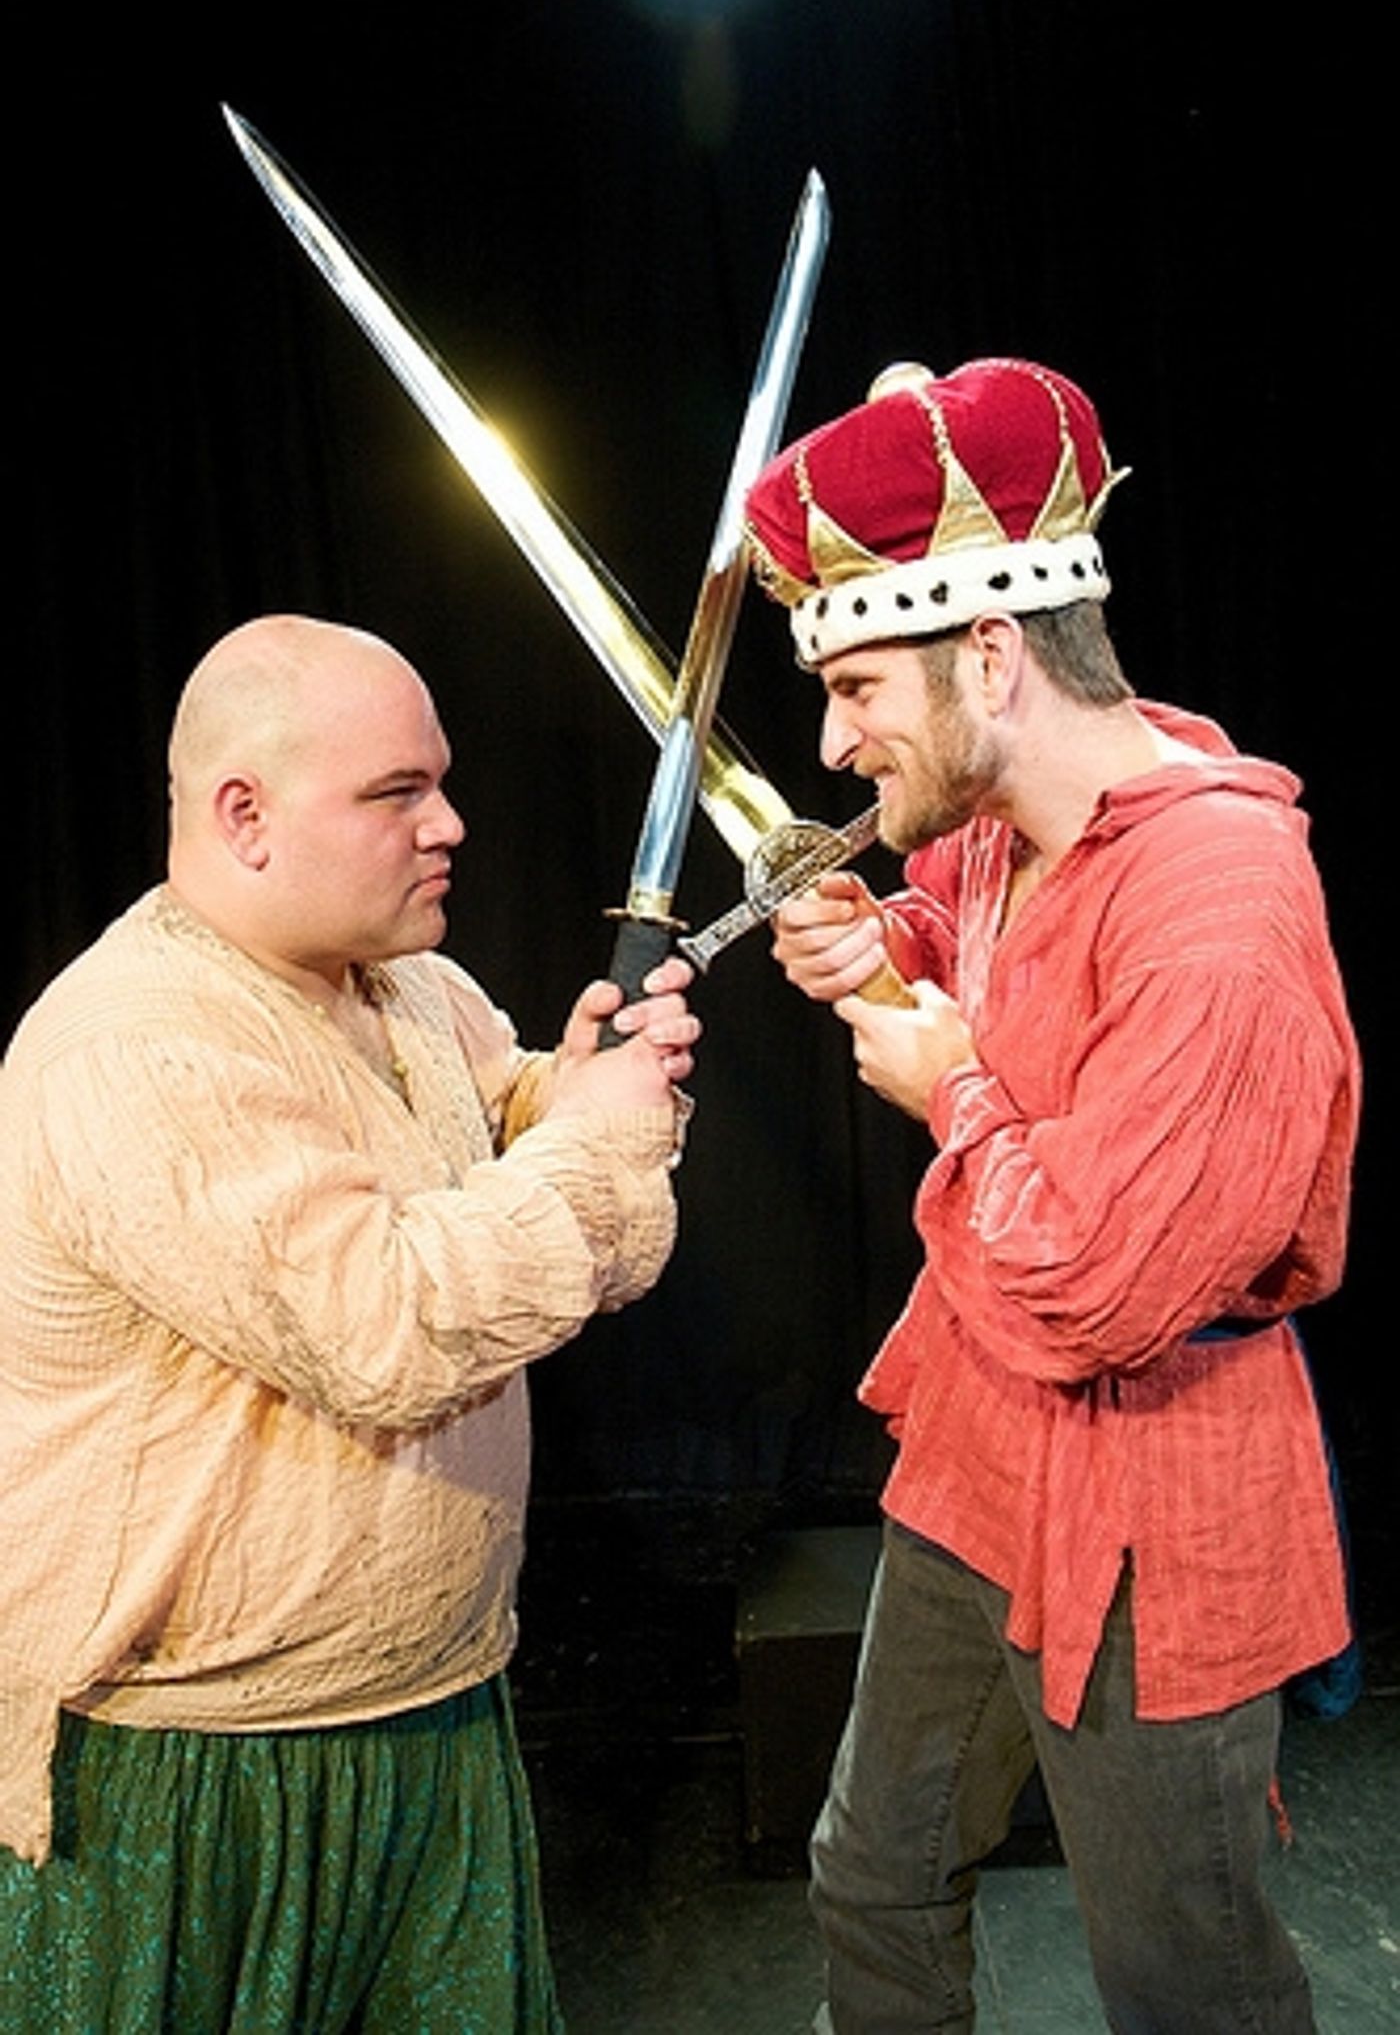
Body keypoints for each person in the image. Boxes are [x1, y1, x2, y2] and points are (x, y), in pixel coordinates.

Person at [741, 359, 1361, 2034]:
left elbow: (1094, 1278)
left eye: (857, 686)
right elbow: (992, 962)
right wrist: (889, 942)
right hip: (982, 1444)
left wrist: (946, 1082)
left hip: (1157, 1484)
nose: (832, 741)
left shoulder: (1220, 905)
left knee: (1184, 1979)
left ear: (992, 654)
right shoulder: (1011, 823)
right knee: (872, 1874)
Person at [0, 612, 699, 2033]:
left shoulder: (416, 989)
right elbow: (395, 1328)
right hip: (191, 1775)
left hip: (438, 1709)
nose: (448, 824)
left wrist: (575, 1091)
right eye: (396, 793)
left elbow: (543, 1195)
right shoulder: (137, 1050)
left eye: (440, 782)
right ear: (243, 816)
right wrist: (597, 1143)